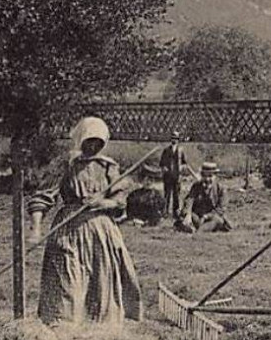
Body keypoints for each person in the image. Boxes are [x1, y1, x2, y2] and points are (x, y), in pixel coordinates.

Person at [38, 116, 144, 326]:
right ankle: (64, 324)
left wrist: (103, 202)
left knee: (102, 278)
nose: (93, 146)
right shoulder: (66, 164)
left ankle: (101, 325)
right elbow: (43, 197)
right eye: (89, 140)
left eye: (98, 142)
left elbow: (120, 201)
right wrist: (36, 228)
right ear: (80, 139)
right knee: (67, 280)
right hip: (69, 229)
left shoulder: (108, 167)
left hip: (101, 230)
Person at [175, 160, 232, 233]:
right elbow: (189, 200)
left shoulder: (221, 188)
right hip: (197, 216)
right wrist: (188, 214)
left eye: (210, 176)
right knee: (186, 216)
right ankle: (192, 227)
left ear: (215, 176)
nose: (207, 179)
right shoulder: (196, 186)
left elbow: (221, 208)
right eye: (205, 176)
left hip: (212, 217)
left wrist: (206, 216)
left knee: (217, 220)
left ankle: (199, 230)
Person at [159, 133, 186, 220]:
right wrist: (164, 168)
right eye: (173, 138)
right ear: (171, 140)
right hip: (168, 176)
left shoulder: (181, 151)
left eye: (176, 139)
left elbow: (185, 163)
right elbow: (161, 163)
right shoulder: (166, 150)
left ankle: (176, 213)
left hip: (177, 176)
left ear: (178, 140)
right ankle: (165, 212)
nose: (174, 140)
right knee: (167, 194)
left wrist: (182, 167)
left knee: (176, 195)